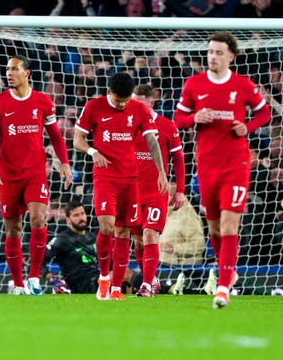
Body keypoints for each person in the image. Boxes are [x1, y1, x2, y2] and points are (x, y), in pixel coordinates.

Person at [173, 31, 271, 309]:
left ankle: (224, 286)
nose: (213, 57)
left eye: (218, 52)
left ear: (231, 56)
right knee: (214, 229)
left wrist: (247, 127)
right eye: (210, 52)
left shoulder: (242, 85)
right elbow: (178, 119)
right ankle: (227, 266)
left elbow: (264, 113)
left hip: (236, 165)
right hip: (206, 166)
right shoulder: (195, 84)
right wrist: (195, 117)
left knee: (229, 224)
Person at [0, 55, 72, 295]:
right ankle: (18, 284)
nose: (9, 73)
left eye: (14, 69)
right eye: (7, 69)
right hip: (7, 174)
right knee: (13, 229)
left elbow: (54, 134)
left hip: (34, 171)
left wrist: (64, 162)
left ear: (27, 73)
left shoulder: (42, 101)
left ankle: (34, 278)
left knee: (38, 219)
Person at [73, 72, 168, 301]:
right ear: (109, 93)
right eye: (118, 101)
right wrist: (93, 151)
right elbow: (78, 139)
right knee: (107, 227)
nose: (123, 105)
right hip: (105, 178)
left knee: (124, 231)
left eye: (126, 101)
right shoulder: (93, 107)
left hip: (131, 180)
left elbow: (152, 141)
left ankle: (116, 289)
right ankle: (104, 278)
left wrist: (162, 173)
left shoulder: (138, 109)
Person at [131, 83, 186, 297]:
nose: (133, 105)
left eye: (138, 102)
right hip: (132, 190)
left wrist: (179, 190)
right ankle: (152, 279)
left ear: (150, 102)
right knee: (137, 240)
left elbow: (179, 160)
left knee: (150, 234)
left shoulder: (166, 126)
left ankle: (145, 285)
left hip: (156, 191)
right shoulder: (127, 125)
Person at [41, 200, 98, 294]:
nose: (81, 218)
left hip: (96, 277)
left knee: (126, 274)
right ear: (68, 219)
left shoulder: (93, 237)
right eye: (76, 215)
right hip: (79, 282)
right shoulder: (62, 239)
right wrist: (53, 280)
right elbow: (39, 260)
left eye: (82, 214)